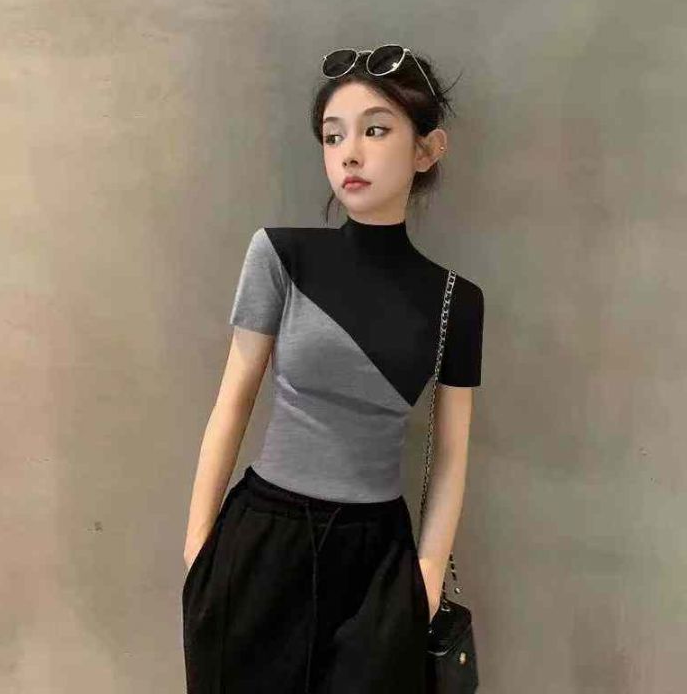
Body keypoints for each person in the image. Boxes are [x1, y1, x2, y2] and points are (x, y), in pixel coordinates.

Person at [181, 45, 484, 694]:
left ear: (427, 150)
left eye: (376, 130)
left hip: (377, 563)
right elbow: (232, 401)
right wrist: (199, 549)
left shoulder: (455, 301)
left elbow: (453, 452)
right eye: (333, 135)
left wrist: (426, 579)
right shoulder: (280, 257)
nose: (350, 153)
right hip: (261, 542)